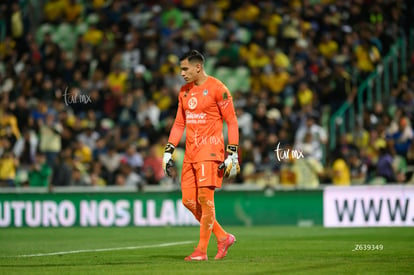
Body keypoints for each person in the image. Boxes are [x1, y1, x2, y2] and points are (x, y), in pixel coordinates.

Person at [162, 50, 239, 261]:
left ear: (198, 67)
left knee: (205, 199)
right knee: (188, 201)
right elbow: (179, 124)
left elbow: (231, 121)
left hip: (211, 150)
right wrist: (168, 150)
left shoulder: (218, 89)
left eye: (185, 69)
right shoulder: (184, 91)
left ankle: (201, 251)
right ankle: (223, 237)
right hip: (190, 153)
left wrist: (233, 153)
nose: (182, 73)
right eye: (180, 69)